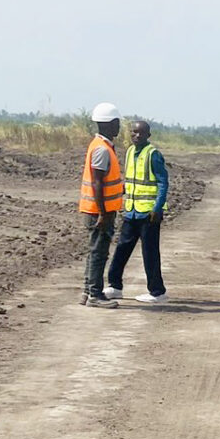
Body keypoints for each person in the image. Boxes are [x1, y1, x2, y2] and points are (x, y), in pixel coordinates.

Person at [105, 120, 169, 303]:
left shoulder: (153, 154)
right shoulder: (130, 152)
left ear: (148, 135)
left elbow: (163, 182)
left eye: (141, 133)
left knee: (150, 253)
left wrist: (157, 208)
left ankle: (157, 292)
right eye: (134, 132)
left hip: (149, 214)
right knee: (121, 249)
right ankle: (115, 286)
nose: (137, 136)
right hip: (131, 211)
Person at [79, 103, 124, 307]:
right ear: (109, 124)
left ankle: (88, 291)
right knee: (99, 252)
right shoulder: (102, 150)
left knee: (94, 251)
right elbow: (97, 182)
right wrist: (103, 213)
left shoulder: (99, 145)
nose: (119, 128)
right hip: (100, 211)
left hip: (98, 209)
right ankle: (95, 295)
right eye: (117, 124)